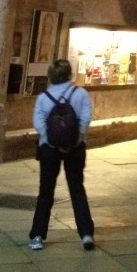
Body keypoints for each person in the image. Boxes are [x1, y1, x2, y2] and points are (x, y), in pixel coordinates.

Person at [28, 58, 95, 251]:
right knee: (77, 189)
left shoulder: (43, 97)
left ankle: (38, 235)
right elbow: (85, 117)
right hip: (75, 149)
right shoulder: (80, 93)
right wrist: (75, 140)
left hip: (49, 150)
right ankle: (86, 234)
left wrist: (51, 141)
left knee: (46, 191)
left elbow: (38, 121)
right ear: (69, 75)